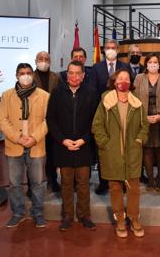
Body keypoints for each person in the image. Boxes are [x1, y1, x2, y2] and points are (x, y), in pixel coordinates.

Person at [92, 69, 149, 238]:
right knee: (115, 187)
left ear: (130, 83)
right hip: (112, 152)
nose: (123, 81)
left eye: (126, 78)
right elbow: (97, 125)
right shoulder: (106, 100)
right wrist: (105, 144)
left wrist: (139, 140)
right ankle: (120, 220)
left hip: (133, 152)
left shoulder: (137, 102)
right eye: (120, 78)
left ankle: (134, 218)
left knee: (134, 188)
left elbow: (144, 126)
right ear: (114, 81)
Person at [47, 60, 99, 231]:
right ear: (66, 74)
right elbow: (51, 120)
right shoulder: (56, 93)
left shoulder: (92, 93)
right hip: (63, 146)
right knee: (67, 183)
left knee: (84, 183)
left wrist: (84, 139)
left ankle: (84, 215)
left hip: (84, 145)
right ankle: (68, 216)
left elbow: (95, 121)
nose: (74, 76)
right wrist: (63, 140)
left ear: (83, 76)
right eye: (71, 73)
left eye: (78, 73)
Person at [0, 63, 49, 229]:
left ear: (33, 75)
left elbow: (48, 120)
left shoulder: (44, 96)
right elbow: (1, 120)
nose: (25, 75)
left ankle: (38, 213)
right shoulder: (6, 95)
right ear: (16, 75)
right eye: (22, 73)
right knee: (14, 183)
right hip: (14, 145)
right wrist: (18, 138)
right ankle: (17, 213)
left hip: (37, 144)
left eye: (28, 73)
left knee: (38, 182)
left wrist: (34, 138)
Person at [90, 39, 129, 194]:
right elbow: (93, 90)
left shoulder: (124, 67)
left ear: (118, 50)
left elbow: (129, 87)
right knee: (104, 149)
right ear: (103, 50)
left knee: (121, 149)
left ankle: (122, 181)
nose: (111, 50)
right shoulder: (96, 67)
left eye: (113, 48)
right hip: (104, 111)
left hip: (122, 111)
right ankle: (103, 182)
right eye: (108, 48)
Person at [134, 53, 160, 191]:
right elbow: (133, 99)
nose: (153, 64)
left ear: (159, 64)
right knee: (147, 150)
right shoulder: (139, 78)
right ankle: (150, 179)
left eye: (155, 62)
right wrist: (143, 116)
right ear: (146, 64)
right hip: (144, 120)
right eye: (150, 62)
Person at [33, 51, 61, 192]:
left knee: (52, 153)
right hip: (35, 121)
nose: (43, 61)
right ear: (36, 60)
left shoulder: (56, 77)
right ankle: (33, 184)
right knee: (33, 156)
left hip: (52, 120)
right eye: (41, 59)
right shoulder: (29, 77)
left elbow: (61, 95)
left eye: (46, 59)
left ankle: (52, 181)